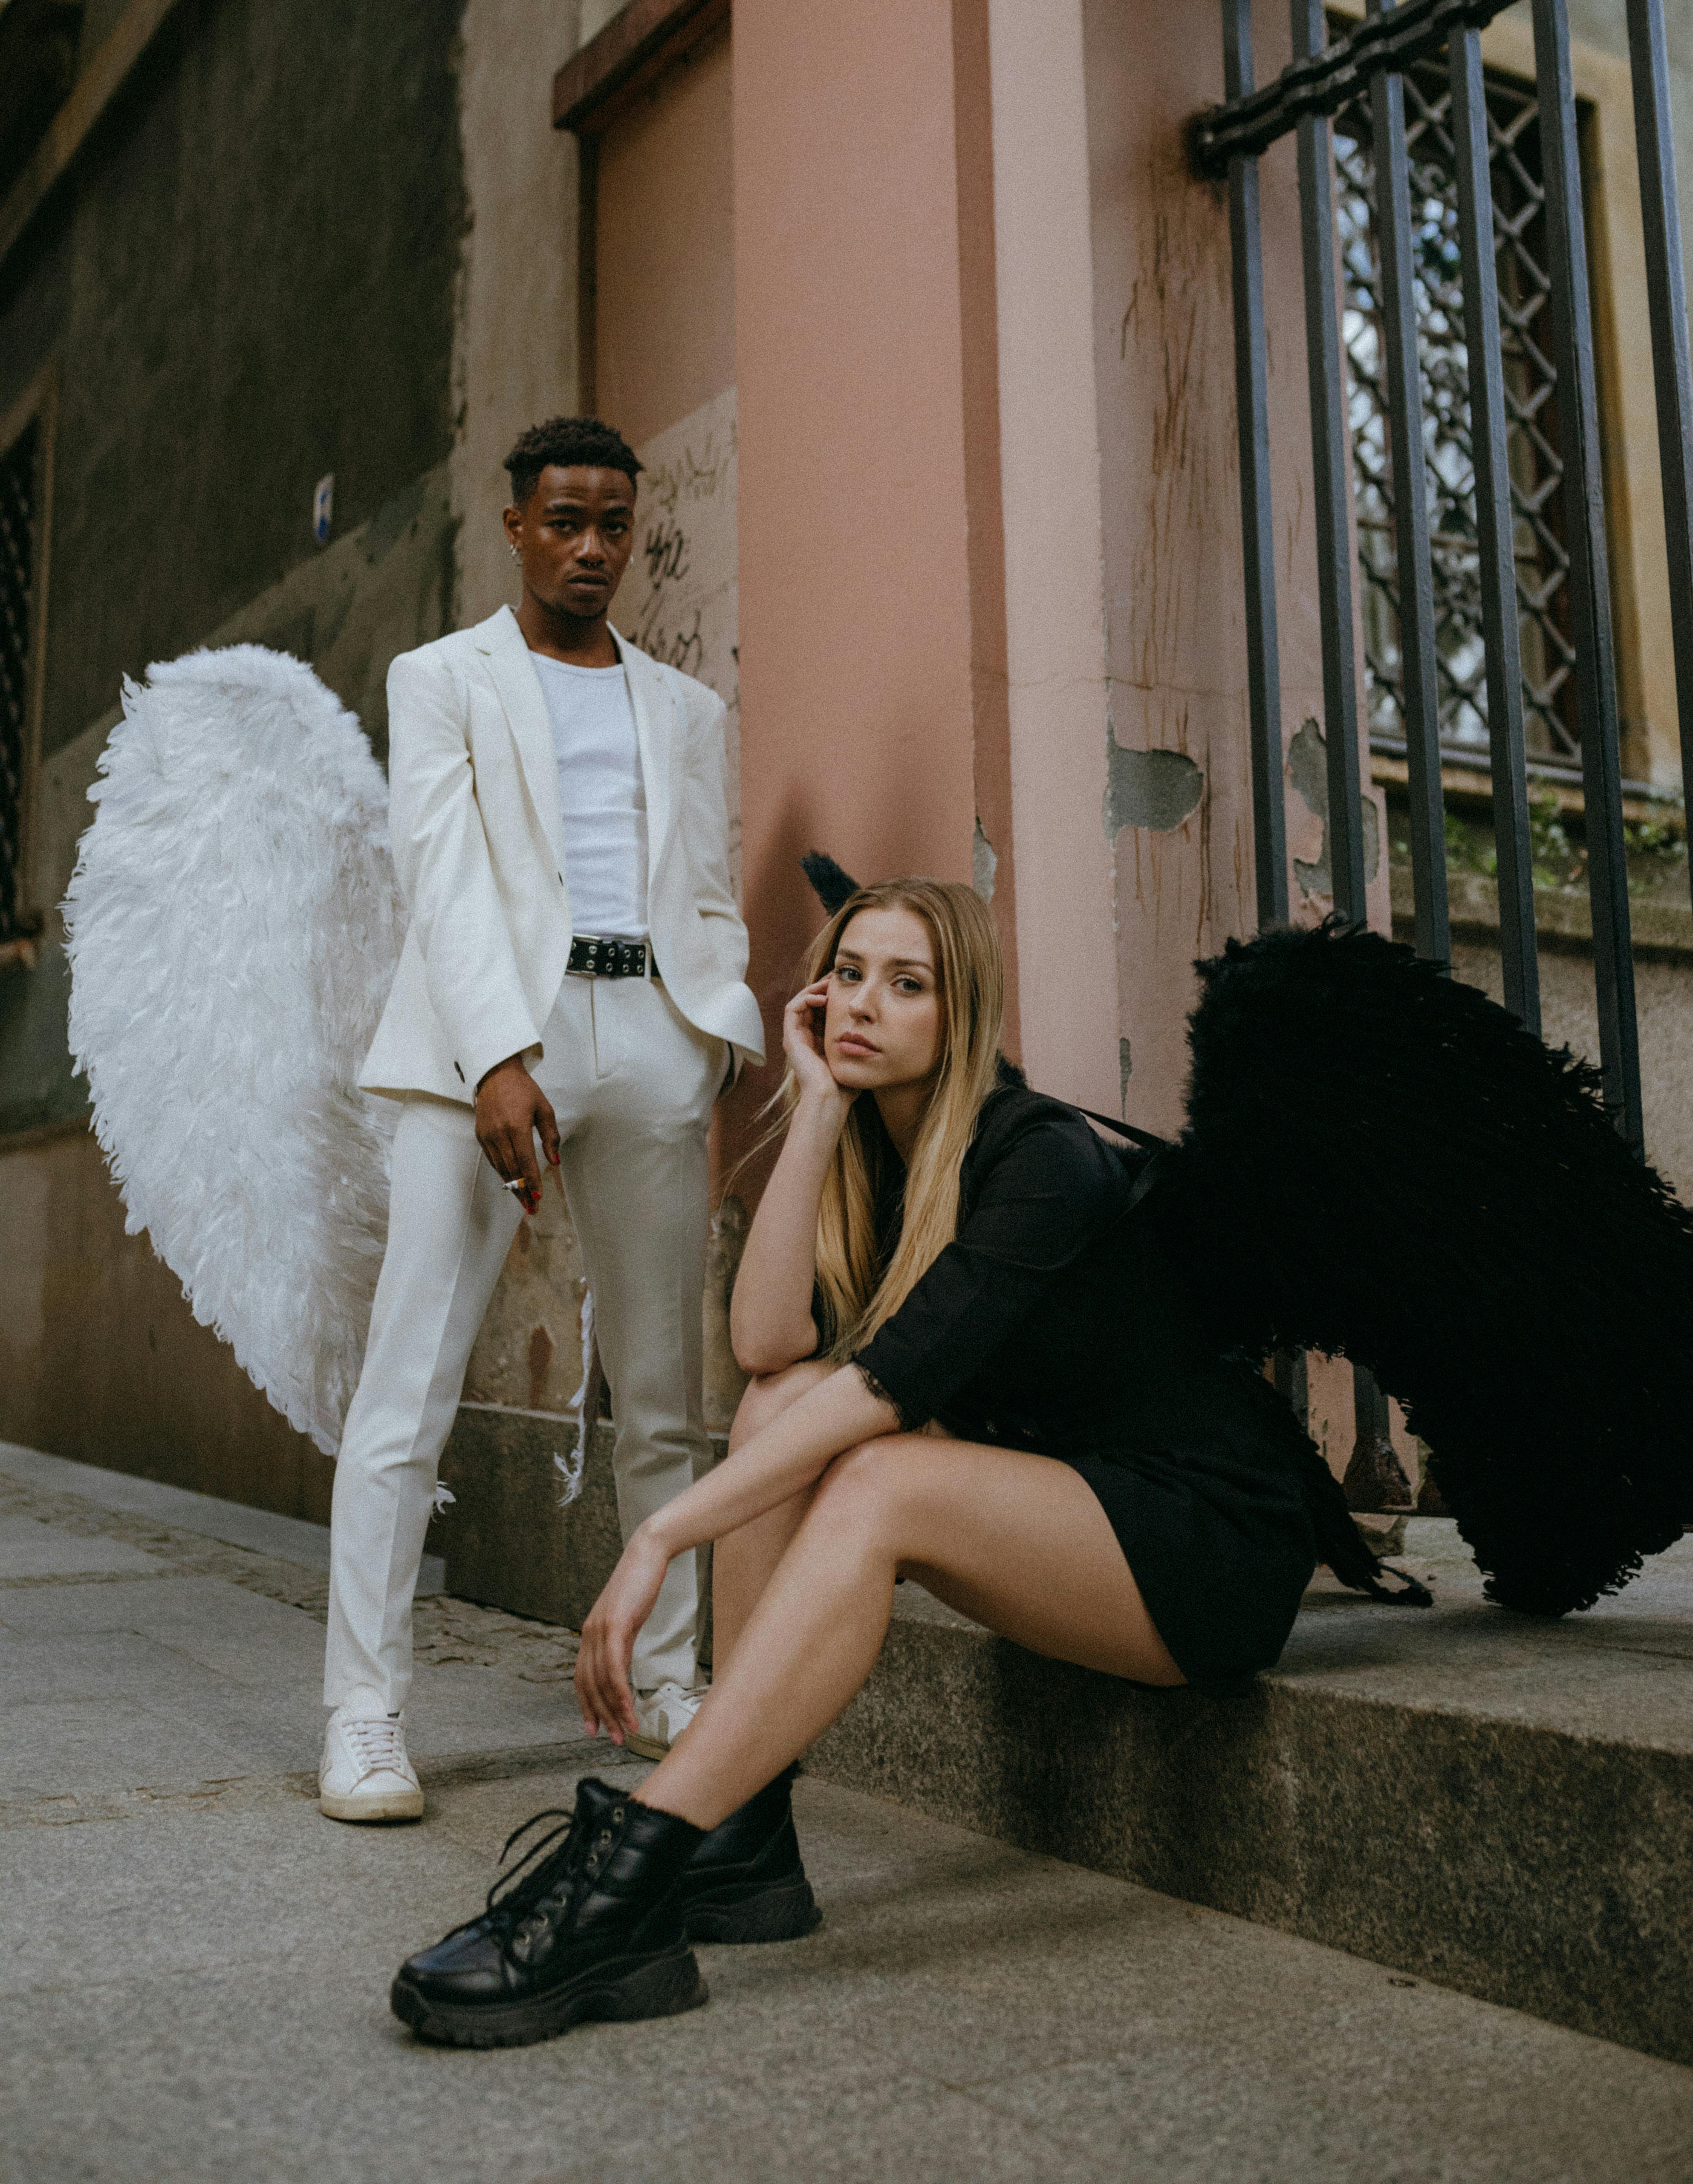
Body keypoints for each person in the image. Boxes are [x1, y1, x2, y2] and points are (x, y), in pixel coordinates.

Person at [388, 877, 1342, 2046]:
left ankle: (626, 1876)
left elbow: (888, 1394)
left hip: (1203, 1541)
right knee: (782, 1405)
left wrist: (661, 1533)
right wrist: (821, 1112)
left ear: (965, 1014)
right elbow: (767, 1347)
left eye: (908, 984)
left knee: (872, 1474)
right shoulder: (881, 1158)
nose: (862, 1004)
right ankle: (742, 1846)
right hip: (1064, 1500)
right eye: (846, 974)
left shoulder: (1040, 1161)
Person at [318, 415, 763, 1823]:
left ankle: (670, 1681)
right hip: (484, 1040)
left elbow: (699, 884)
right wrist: (498, 1055)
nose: (592, 548)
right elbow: (439, 874)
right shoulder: (440, 679)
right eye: (565, 520)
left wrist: (719, 1029)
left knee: (665, 1396)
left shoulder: (689, 711)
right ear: (517, 525)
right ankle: (366, 1716)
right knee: (410, 1386)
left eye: (614, 524)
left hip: (649, 1040)